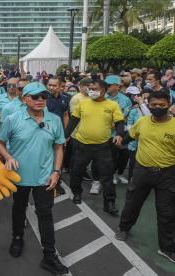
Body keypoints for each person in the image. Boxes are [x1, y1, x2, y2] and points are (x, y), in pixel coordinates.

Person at [0, 82, 69, 275]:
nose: (40, 100)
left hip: (45, 177)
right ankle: (17, 237)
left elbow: (59, 147)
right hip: (19, 176)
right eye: (35, 96)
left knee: (45, 214)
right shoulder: (12, 119)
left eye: (43, 96)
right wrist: (8, 157)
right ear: (24, 99)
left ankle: (49, 255)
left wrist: (56, 171)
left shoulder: (54, 119)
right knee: (19, 208)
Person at [115, 91, 175, 263]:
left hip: (168, 174)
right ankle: (123, 228)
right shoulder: (142, 122)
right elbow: (130, 135)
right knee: (132, 203)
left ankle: (167, 247)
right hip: (142, 171)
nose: (157, 108)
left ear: (168, 104)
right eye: (154, 104)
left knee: (167, 212)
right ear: (148, 104)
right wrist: (120, 142)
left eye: (161, 105)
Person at [65, 79, 124, 216]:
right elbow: (74, 120)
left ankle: (109, 203)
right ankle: (77, 193)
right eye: (89, 88)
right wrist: (65, 136)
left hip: (103, 146)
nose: (91, 91)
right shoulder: (83, 103)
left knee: (107, 175)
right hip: (82, 145)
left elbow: (119, 122)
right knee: (77, 171)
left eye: (94, 89)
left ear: (103, 90)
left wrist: (120, 134)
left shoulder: (112, 105)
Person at [104, 75, 132, 186]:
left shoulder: (125, 100)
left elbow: (125, 116)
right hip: (106, 134)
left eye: (109, 85)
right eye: (106, 85)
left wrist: (115, 124)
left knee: (124, 156)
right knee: (111, 157)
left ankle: (119, 174)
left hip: (121, 133)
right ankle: (111, 175)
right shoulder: (103, 98)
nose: (107, 87)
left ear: (117, 86)